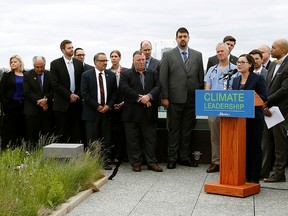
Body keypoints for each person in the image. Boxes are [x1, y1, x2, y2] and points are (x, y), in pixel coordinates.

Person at [160, 27, 204, 169]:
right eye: (180, 36)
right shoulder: (168, 55)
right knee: (173, 130)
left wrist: (200, 97)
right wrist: (164, 97)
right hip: (174, 99)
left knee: (187, 130)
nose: (183, 39)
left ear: (189, 38)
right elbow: (163, 78)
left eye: (185, 36)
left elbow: (200, 78)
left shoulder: (198, 55)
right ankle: (172, 158)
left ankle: (184, 157)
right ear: (176, 39)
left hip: (191, 100)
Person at [120, 50, 162, 172]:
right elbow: (124, 89)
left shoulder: (153, 73)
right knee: (133, 140)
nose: (142, 62)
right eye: (139, 60)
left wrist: (149, 97)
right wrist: (140, 99)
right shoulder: (126, 74)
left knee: (150, 139)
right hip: (131, 114)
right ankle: (136, 163)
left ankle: (151, 162)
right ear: (133, 61)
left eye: (143, 59)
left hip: (149, 113)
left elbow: (158, 87)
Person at [232, 54, 268, 183]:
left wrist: (248, 100)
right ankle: (245, 174)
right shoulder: (235, 80)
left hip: (254, 119)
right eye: (238, 62)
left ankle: (254, 177)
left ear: (250, 65)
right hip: (239, 120)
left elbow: (263, 97)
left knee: (254, 147)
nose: (239, 64)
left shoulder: (258, 78)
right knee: (243, 147)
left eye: (242, 62)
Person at [204, 43, 237, 173]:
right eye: (218, 51)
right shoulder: (212, 69)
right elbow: (207, 87)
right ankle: (216, 162)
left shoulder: (235, 69)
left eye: (222, 51)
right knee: (215, 136)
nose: (220, 53)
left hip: (230, 107)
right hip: (214, 107)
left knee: (230, 135)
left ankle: (229, 160)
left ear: (228, 52)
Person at [81, 52, 118, 170]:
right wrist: (97, 106)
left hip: (107, 112)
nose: (105, 63)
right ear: (95, 62)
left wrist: (109, 105)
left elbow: (115, 93)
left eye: (106, 60)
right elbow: (84, 94)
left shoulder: (110, 75)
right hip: (92, 112)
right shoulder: (86, 75)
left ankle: (104, 161)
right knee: (92, 139)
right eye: (102, 61)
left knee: (106, 138)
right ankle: (93, 162)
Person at [261, 39, 288, 183]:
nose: (271, 50)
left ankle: (279, 173)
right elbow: (267, 87)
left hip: (280, 112)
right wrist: (264, 104)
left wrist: (267, 102)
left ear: (282, 50)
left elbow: (284, 90)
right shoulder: (272, 66)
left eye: (273, 48)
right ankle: (265, 171)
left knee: (280, 144)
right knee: (267, 142)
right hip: (267, 110)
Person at [50, 39, 84, 143]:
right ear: (63, 50)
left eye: (72, 47)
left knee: (76, 131)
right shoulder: (55, 64)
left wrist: (76, 95)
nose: (72, 50)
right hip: (62, 103)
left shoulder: (78, 63)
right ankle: (62, 157)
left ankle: (77, 157)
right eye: (69, 48)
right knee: (62, 131)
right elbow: (55, 84)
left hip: (76, 103)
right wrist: (69, 95)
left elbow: (81, 82)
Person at [23, 56, 53, 146]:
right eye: (37, 67)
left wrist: (46, 99)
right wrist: (41, 102)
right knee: (32, 136)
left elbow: (53, 90)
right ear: (33, 65)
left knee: (47, 136)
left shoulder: (50, 74)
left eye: (42, 67)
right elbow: (27, 92)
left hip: (47, 111)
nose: (40, 69)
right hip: (32, 110)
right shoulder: (27, 75)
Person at [0, 55, 26, 148]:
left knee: (22, 127)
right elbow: (1, 91)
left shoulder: (26, 74)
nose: (13, 63)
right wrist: (6, 103)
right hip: (11, 105)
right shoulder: (7, 75)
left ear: (20, 63)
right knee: (11, 128)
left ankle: (21, 147)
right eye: (11, 62)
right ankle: (9, 147)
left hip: (23, 105)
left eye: (15, 61)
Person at [110, 50, 128, 163]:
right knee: (111, 131)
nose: (113, 58)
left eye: (115, 56)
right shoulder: (107, 72)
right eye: (111, 56)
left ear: (120, 58)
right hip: (111, 106)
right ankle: (111, 155)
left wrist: (123, 103)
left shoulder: (126, 71)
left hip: (124, 105)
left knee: (122, 131)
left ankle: (119, 155)